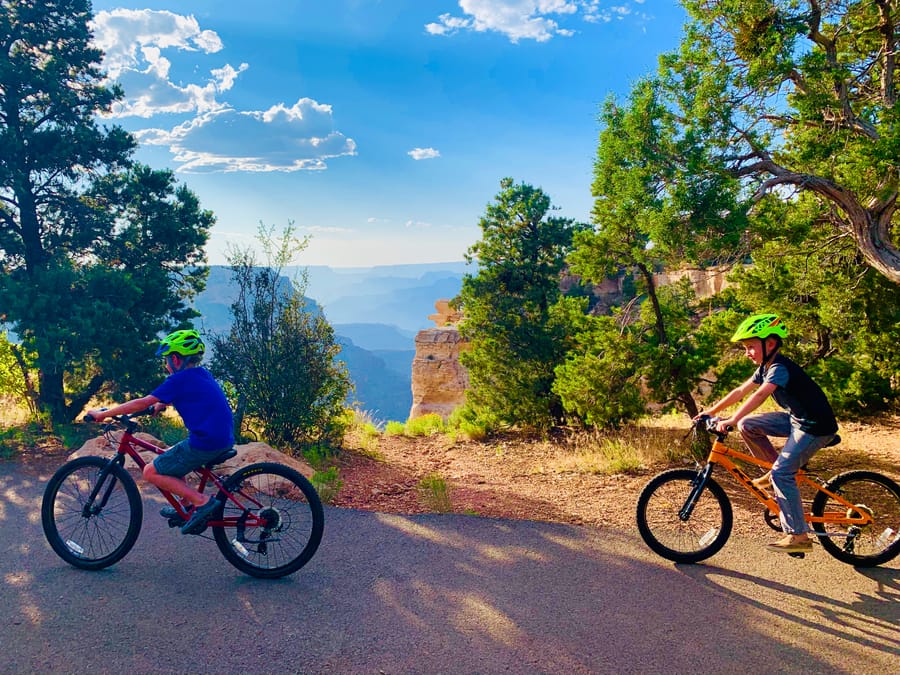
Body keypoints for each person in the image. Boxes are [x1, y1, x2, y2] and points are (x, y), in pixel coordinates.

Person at [696, 313, 838, 554]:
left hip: (815, 426)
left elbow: (760, 395)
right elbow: (741, 390)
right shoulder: (765, 367)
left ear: (770, 344)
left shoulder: (779, 369)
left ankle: (798, 535)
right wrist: (711, 411)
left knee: (782, 472)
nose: (747, 352)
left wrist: (730, 419)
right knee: (748, 425)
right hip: (797, 420)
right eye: (745, 348)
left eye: (751, 347)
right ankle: (775, 476)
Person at [86, 329, 235, 536]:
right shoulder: (200, 374)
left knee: (151, 471)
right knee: (170, 459)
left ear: (175, 359)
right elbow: (193, 394)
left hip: (205, 442)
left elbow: (142, 402)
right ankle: (187, 506)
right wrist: (162, 403)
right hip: (222, 438)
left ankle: (201, 502)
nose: (166, 365)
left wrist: (105, 414)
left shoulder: (178, 379)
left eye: (166, 360)